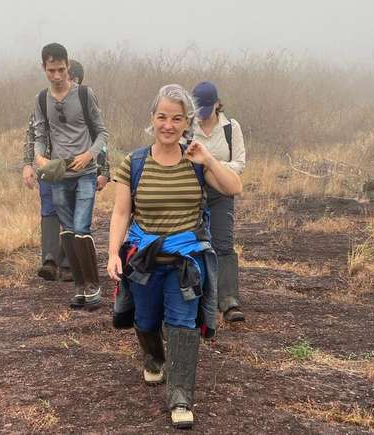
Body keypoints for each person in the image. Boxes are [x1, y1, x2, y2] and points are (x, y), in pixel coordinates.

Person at [107, 84, 242, 429]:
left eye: (177, 119)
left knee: (183, 322)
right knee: (146, 319)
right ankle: (154, 357)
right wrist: (112, 254)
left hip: (185, 261)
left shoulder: (196, 161)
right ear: (152, 118)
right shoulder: (134, 163)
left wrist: (208, 159)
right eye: (162, 117)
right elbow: (121, 213)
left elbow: (234, 188)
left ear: (187, 122)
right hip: (144, 259)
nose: (168, 125)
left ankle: (181, 396)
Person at [33, 43, 109, 310]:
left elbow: (102, 133)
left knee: (81, 227)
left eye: (61, 70)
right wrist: (39, 157)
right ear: (44, 68)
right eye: (51, 70)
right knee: (67, 230)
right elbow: (40, 135)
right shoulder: (41, 99)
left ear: (68, 66)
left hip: (85, 173)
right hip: (59, 174)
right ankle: (79, 286)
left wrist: (90, 155)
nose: (57, 76)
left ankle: (92, 285)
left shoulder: (85, 95)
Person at [191, 81, 247, 322]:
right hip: (193, 191)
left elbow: (239, 164)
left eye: (207, 109)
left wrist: (211, 163)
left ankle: (228, 300)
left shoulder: (230, 127)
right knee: (193, 243)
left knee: (223, 243)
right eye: (198, 110)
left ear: (217, 104)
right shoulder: (187, 127)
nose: (202, 116)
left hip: (222, 191)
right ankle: (196, 297)